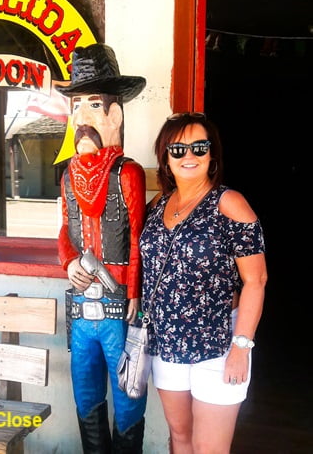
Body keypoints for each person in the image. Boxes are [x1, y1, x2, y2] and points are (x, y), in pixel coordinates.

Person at [139, 112, 267, 453]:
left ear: (212, 155)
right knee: (180, 439)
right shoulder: (157, 205)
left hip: (218, 346)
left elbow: (256, 280)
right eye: (178, 149)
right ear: (166, 158)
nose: (189, 155)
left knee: (209, 448)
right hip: (167, 345)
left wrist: (241, 347)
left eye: (199, 147)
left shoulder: (230, 203)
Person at [56, 43, 147, 453]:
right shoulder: (67, 176)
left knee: (128, 398)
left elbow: (138, 236)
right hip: (80, 308)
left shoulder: (127, 173)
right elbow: (64, 230)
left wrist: (132, 291)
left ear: (115, 114)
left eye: (94, 105)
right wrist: (69, 259)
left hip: (118, 309)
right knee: (86, 396)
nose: (82, 118)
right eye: (77, 106)